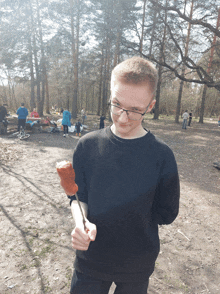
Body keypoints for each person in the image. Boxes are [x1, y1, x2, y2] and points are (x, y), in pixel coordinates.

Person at [68, 56, 180, 294]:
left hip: (136, 266)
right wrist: (81, 223)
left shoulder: (162, 156)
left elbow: (167, 213)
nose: (122, 116)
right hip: (90, 259)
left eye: (135, 110)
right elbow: (78, 197)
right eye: (116, 104)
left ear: (151, 106)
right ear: (110, 94)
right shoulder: (87, 146)